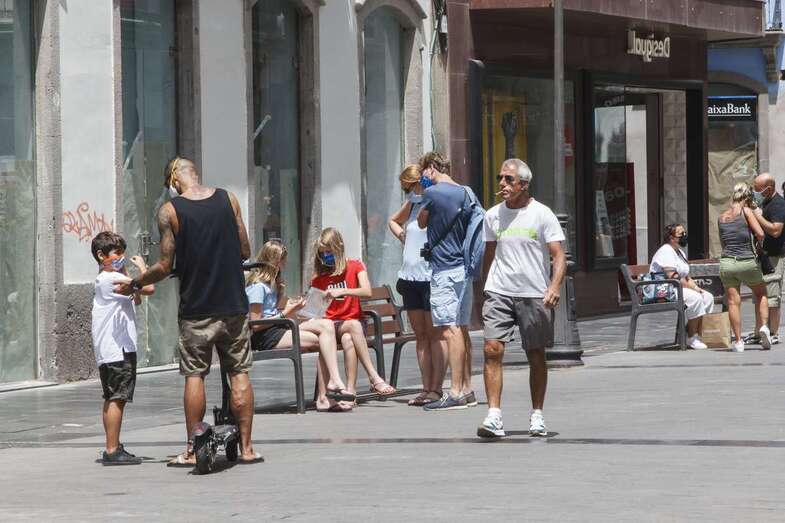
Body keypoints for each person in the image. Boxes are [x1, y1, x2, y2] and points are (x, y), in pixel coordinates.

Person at [115, 156, 263, 465]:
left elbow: (164, 265)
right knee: (239, 373)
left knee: (195, 375)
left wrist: (136, 282)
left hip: (196, 308)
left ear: (173, 181)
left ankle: (193, 450)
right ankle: (248, 449)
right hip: (233, 305)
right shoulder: (229, 199)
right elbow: (245, 250)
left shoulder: (170, 211)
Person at [476, 159, 566, 439]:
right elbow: (490, 253)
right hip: (499, 290)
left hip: (533, 293)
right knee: (492, 348)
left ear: (524, 184)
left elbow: (558, 255)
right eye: (500, 178)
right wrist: (484, 287)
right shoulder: (492, 215)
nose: (502, 184)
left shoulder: (542, 214)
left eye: (509, 179)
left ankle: (537, 414)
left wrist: (554, 286)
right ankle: (493, 416)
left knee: (535, 353)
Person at [246, 240, 355, 412]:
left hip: (280, 328)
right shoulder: (258, 286)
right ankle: (325, 395)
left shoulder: (273, 284)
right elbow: (255, 324)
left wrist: (294, 307)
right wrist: (286, 313)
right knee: (323, 340)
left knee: (326, 326)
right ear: (273, 261)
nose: (284, 264)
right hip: (265, 336)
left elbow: (276, 312)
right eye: (282, 260)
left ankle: (330, 386)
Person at [417, 152, 477, 411]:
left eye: (423, 171)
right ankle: (467, 388)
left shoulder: (431, 194)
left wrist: (424, 191)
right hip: (463, 268)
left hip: (443, 268)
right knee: (461, 328)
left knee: (449, 330)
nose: (422, 176)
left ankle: (454, 392)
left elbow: (421, 223)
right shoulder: (466, 192)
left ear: (431, 168)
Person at [90, 231, 154, 464]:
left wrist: (126, 271)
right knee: (118, 398)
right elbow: (149, 288)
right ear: (101, 255)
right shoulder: (110, 280)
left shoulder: (108, 278)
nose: (121, 257)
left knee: (112, 398)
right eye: (116, 253)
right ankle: (112, 449)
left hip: (110, 349)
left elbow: (136, 298)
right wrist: (143, 267)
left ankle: (113, 445)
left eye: (122, 252)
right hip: (118, 349)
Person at [310, 227, 396, 397]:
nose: (326, 256)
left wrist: (343, 291)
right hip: (331, 326)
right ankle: (374, 377)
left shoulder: (355, 266)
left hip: (352, 323)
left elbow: (367, 291)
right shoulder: (319, 277)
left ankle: (350, 392)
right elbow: (314, 308)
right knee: (352, 326)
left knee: (349, 337)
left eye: (329, 252)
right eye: (323, 253)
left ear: (339, 247)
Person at [388, 165, 446, 406]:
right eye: (405, 188)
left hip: (430, 275)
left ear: (419, 182)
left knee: (435, 335)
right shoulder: (412, 204)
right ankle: (425, 388)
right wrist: (403, 236)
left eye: (409, 186)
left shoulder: (435, 202)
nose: (408, 191)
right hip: (410, 276)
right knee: (421, 336)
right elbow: (393, 221)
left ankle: (437, 389)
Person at [718, 182, 770, 352]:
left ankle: (739, 342)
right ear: (747, 197)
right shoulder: (746, 211)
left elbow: (723, 242)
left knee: (733, 301)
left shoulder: (721, 217)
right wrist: (758, 244)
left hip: (727, 262)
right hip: (746, 261)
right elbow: (760, 233)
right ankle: (764, 327)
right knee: (761, 293)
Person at [649, 224, 715, 350]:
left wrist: (697, 287)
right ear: (671, 238)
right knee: (695, 298)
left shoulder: (680, 252)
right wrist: (694, 289)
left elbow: (686, 276)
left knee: (707, 297)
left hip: (677, 287)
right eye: (681, 234)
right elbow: (673, 276)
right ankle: (691, 337)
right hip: (665, 289)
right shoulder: (666, 251)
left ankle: (692, 333)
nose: (685, 236)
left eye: (685, 233)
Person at [749, 173, 785, 345]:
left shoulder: (778, 204)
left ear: (769, 189)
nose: (756, 192)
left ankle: (774, 332)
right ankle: (759, 331)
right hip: (763, 255)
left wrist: (757, 216)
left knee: (772, 296)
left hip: (774, 256)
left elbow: (776, 230)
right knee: (760, 295)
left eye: (758, 189)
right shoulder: (765, 202)